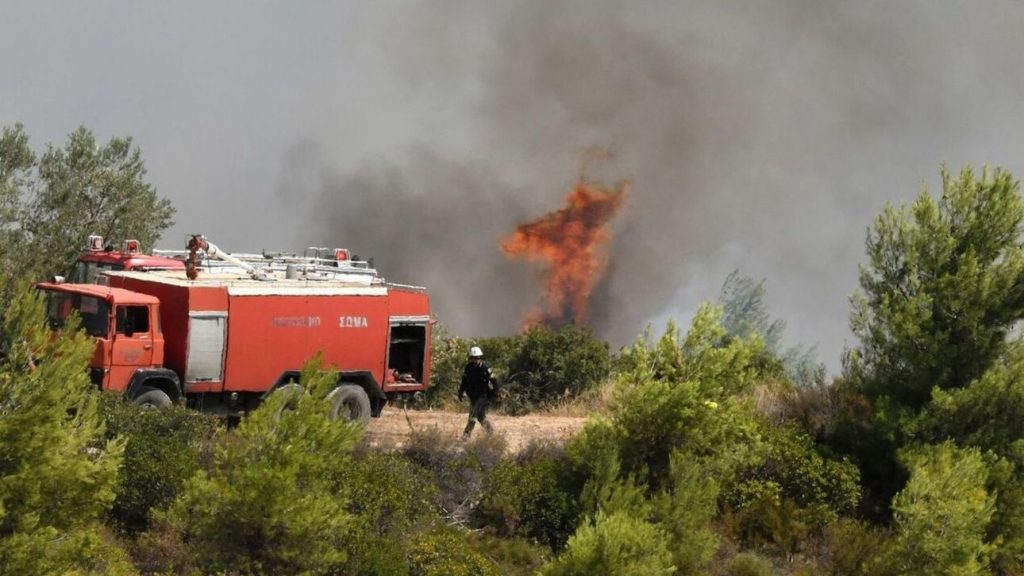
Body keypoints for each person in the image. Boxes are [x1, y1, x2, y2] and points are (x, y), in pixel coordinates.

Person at [458, 345, 499, 438]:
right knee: (481, 417)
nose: (476, 360)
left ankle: (466, 435)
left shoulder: (486, 368)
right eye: (474, 358)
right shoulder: (468, 368)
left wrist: (496, 392)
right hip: (473, 396)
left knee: (473, 415)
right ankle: (491, 432)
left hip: (483, 396)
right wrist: (460, 392)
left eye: (478, 358)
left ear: (480, 357)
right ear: (471, 358)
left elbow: (494, 380)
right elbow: (464, 381)